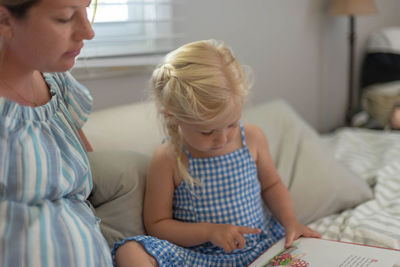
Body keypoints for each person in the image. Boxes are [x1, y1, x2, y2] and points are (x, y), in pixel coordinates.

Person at [113, 39, 321, 267]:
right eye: (207, 131)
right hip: (201, 257)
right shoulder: (169, 158)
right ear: (173, 117)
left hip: (258, 248)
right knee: (129, 251)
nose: (222, 139)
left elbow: (272, 185)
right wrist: (208, 231)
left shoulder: (252, 139)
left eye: (231, 124)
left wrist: (290, 221)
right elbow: (157, 224)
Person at [0, 0, 112, 266]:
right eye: (64, 18)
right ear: (5, 20)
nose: (88, 31)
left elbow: (88, 175)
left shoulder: (56, 83)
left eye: (86, 10)